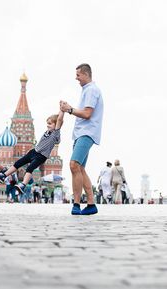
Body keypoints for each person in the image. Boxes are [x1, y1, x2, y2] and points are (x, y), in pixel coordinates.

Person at [59, 63, 104, 215]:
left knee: (73, 165)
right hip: (81, 133)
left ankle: (76, 204)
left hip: (87, 133)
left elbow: (87, 114)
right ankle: (91, 204)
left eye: (78, 75)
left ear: (86, 74)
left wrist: (69, 110)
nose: (76, 78)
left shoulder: (91, 90)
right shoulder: (88, 90)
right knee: (79, 168)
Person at [0, 111, 64, 195]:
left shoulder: (55, 134)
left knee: (30, 168)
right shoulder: (47, 132)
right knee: (18, 163)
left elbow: (59, 120)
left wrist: (62, 110)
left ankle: (23, 185)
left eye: (50, 124)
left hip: (41, 156)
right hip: (34, 151)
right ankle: (4, 175)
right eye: (47, 123)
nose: (48, 125)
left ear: (56, 125)